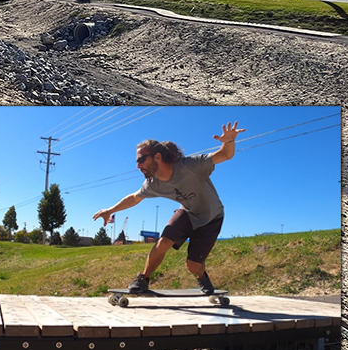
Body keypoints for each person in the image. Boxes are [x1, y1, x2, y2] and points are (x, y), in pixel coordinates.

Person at [92, 122, 245, 294]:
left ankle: (202, 277)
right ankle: (143, 279)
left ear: (157, 157)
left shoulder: (190, 166)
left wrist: (229, 141)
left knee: (193, 265)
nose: (138, 166)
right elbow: (135, 198)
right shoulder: (152, 184)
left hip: (211, 218)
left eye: (141, 159)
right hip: (187, 212)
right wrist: (110, 210)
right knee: (162, 242)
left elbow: (225, 154)